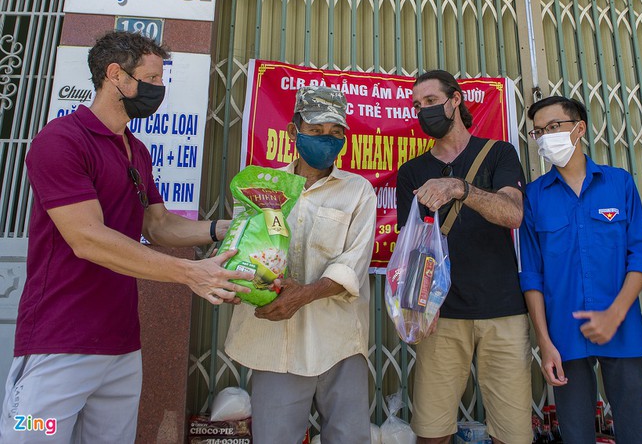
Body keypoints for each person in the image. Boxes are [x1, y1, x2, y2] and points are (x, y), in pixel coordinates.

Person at [0, 31, 253, 444]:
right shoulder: (61, 141)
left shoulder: (136, 150)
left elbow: (157, 225)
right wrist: (189, 273)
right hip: (60, 343)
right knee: (29, 433)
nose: (159, 89)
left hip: (120, 347)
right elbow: (88, 239)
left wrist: (222, 230)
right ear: (115, 75)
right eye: (152, 78)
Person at [224, 86, 377, 443]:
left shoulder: (358, 191)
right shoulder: (262, 188)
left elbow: (353, 263)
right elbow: (243, 251)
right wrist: (241, 285)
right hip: (275, 343)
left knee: (349, 438)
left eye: (335, 132)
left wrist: (305, 293)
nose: (327, 140)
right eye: (316, 131)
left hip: (338, 343)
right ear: (294, 133)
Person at [396, 70, 532, 444]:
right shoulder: (411, 173)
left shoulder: (499, 153)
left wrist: (460, 188)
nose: (424, 111)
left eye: (430, 101)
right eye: (417, 105)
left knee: (513, 432)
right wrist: (417, 308)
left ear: (455, 100)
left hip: (502, 311)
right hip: (441, 316)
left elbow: (513, 214)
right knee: (431, 430)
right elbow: (414, 247)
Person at [519, 96, 642, 443]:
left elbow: (639, 255)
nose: (545, 137)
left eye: (553, 127)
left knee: (633, 433)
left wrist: (615, 314)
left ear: (578, 129)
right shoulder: (534, 196)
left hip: (622, 331)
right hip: (564, 339)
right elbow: (531, 274)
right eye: (538, 132)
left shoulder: (619, 183)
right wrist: (544, 342)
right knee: (576, 435)